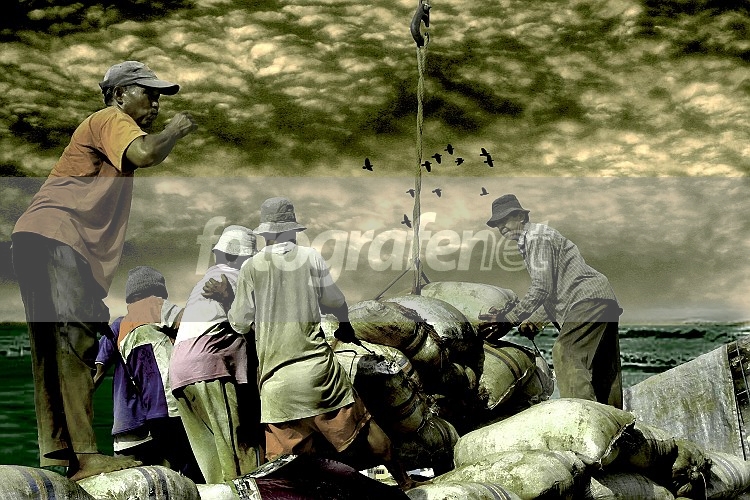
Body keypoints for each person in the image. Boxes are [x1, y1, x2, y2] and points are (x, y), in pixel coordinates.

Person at [11, 60, 197, 480]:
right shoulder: (111, 119)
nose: (156, 103)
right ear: (119, 95)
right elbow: (146, 153)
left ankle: (59, 455)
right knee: (73, 345)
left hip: (37, 237)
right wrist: (175, 131)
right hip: (58, 237)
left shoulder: (104, 131)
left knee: (53, 352)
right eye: (148, 93)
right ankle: (85, 454)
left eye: (159, 97)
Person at [209, 197, 415, 491]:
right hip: (318, 375)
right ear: (292, 230)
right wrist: (345, 326)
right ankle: (404, 482)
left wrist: (230, 302)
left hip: (276, 386)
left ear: (265, 233)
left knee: (288, 467)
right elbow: (334, 301)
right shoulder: (309, 258)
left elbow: (240, 323)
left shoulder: (251, 267)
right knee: (366, 430)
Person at [481, 194, 624, 409]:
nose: (501, 227)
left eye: (505, 220)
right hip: (601, 299)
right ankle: (616, 420)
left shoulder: (536, 238)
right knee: (604, 368)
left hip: (586, 300)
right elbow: (555, 289)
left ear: (521, 216)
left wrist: (508, 319)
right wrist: (535, 321)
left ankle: (581, 416)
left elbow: (542, 288)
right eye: (497, 224)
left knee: (565, 352)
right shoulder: (536, 239)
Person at [169, 225, 263, 483]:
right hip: (210, 368)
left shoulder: (202, 282)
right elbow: (253, 328)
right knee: (236, 459)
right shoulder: (236, 280)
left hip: (180, 372)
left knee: (212, 466)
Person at [93, 266, 202, 483]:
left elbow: (97, 371)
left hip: (129, 425)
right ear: (158, 293)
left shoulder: (119, 326)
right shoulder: (158, 313)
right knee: (176, 482)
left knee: (128, 485)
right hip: (164, 418)